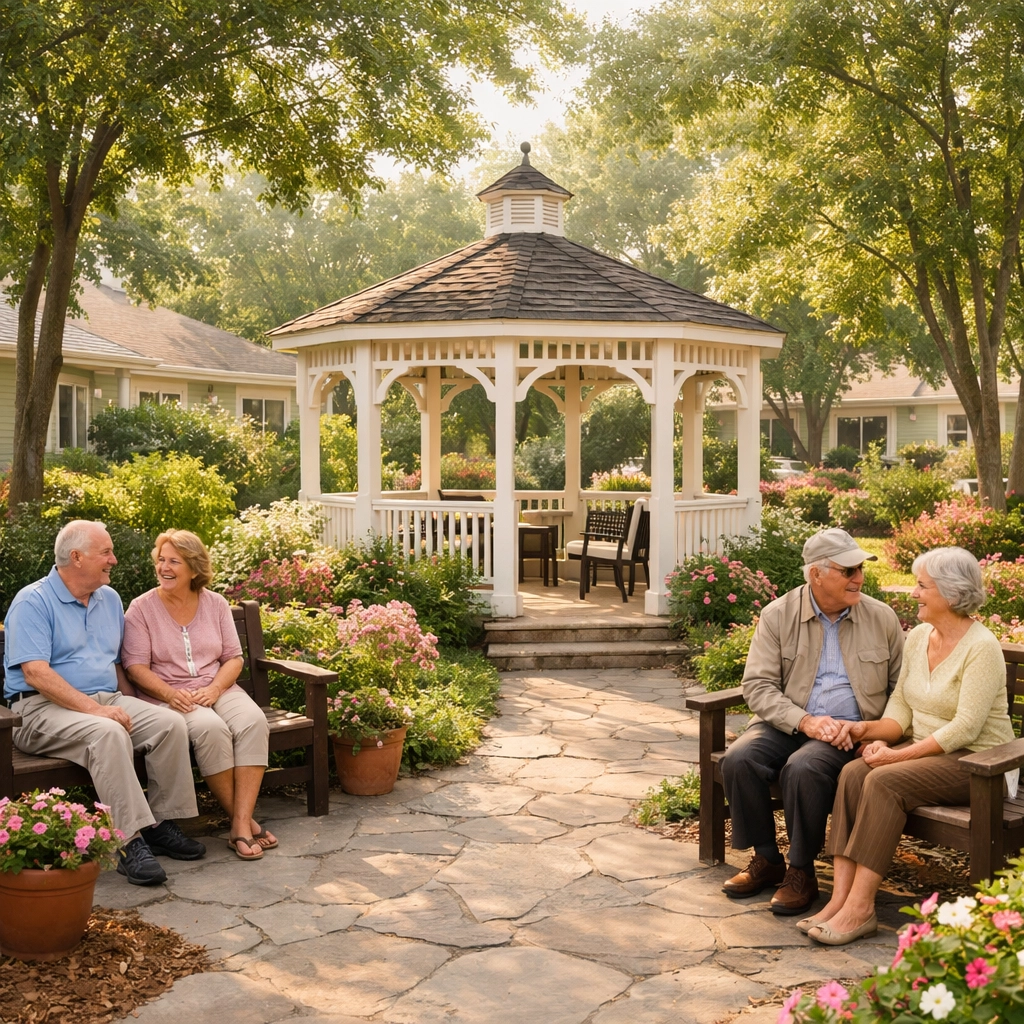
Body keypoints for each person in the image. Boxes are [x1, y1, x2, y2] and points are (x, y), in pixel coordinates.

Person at [804, 546, 1015, 945]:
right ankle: (840, 900)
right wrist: (865, 731)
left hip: (981, 762)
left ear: (951, 594)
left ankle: (861, 908)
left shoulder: (981, 646)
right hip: (930, 754)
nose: (913, 593)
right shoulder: (919, 636)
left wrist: (896, 755)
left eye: (921, 586)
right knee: (852, 772)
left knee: (884, 782)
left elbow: (966, 729)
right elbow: (901, 706)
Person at [3, 520, 205, 886]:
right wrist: (98, 711)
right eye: (106, 552)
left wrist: (133, 705)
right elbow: (35, 674)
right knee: (109, 732)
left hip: (105, 699)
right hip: (37, 710)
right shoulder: (32, 601)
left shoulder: (109, 599)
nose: (114, 559)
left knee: (168, 723)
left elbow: (113, 663)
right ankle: (126, 842)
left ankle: (159, 823)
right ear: (76, 557)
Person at [719, 528, 904, 915]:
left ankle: (801, 871)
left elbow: (901, 689)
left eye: (861, 569)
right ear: (816, 574)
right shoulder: (778, 615)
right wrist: (804, 721)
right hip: (790, 721)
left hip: (847, 733)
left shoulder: (881, 618)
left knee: (804, 768)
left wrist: (876, 733)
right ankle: (768, 859)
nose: (859, 578)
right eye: (848, 570)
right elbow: (758, 685)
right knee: (739, 759)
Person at [121, 529, 274, 861]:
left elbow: (233, 657)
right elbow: (134, 666)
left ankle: (238, 824)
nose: (164, 567)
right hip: (169, 696)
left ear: (193, 567)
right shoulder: (141, 608)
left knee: (252, 721)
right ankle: (244, 823)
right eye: (161, 560)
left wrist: (216, 688)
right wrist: (170, 693)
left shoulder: (215, 603)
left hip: (217, 686)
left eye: (174, 561)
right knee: (210, 728)